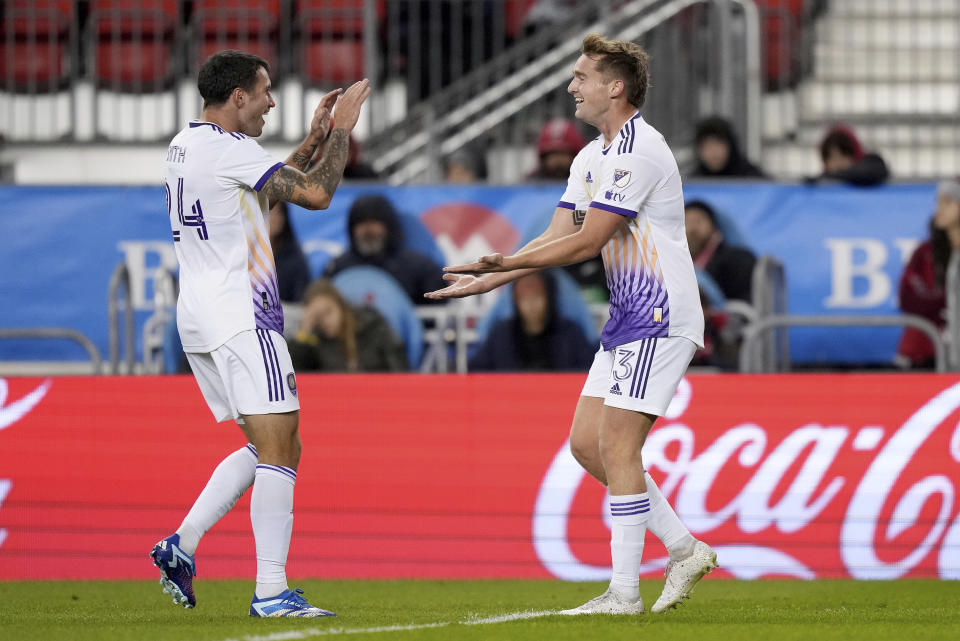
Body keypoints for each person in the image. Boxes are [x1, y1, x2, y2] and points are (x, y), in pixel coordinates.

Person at [427, 33, 716, 615]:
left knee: (617, 442)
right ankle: (684, 549)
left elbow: (589, 241)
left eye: (581, 77)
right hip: (629, 314)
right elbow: (558, 234)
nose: (570, 87)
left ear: (615, 86)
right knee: (588, 445)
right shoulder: (591, 156)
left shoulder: (641, 149)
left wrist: (508, 262)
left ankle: (624, 593)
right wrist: (493, 279)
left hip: (661, 313)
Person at [152, 49, 370, 617]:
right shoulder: (232, 150)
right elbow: (317, 196)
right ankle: (271, 591)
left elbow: (260, 192)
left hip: (200, 316)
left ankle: (183, 543)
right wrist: (342, 134)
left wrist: (312, 141)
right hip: (244, 314)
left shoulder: (185, 144)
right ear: (238, 97)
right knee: (281, 450)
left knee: (274, 445)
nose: (272, 101)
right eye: (265, 90)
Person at [324, 194, 446, 304]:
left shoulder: (420, 268)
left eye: (374, 221)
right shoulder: (338, 268)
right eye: (361, 223)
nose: (368, 229)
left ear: (389, 227)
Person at [469, 270, 597, 372]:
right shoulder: (501, 333)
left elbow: (589, 371)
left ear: (549, 297)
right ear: (515, 301)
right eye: (524, 299)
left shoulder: (570, 332)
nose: (531, 305)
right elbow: (477, 370)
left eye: (537, 297)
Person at [896, 178, 960, 368]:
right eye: (938, 203)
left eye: (947, 202)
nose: (939, 210)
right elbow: (907, 296)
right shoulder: (926, 252)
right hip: (940, 354)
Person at [287, 279, 408, 372]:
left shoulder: (372, 326)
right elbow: (294, 380)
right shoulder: (315, 343)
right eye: (317, 317)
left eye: (328, 311)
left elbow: (398, 366)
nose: (325, 321)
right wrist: (303, 331)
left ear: (340, 305)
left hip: (379, 395)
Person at [685, 199, 756, 302]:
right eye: (686, 222)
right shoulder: (672, 262)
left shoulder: (737, 260)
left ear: (714, 227)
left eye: (698, 221)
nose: (692, 229)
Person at [810, 124, 889, 186]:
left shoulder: (872, 163)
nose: (838, 163)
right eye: (832, 158)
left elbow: (871, 172)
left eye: (842, 157)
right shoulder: (824, 182)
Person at [691, 116, 766, 178]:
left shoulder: (753, 179)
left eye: (718, 145)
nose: (713, 153)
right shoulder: (692, 182)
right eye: (707, 147)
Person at [268, 201, 311, 303]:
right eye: (269, 212)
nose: (274, 219)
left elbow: (300, 301)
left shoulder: (296, 260)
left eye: (279, 213)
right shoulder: (244, 253)